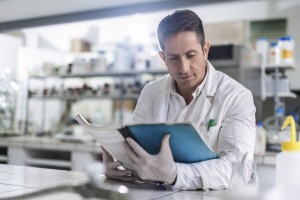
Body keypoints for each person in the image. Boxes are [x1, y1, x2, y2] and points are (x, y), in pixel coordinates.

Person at [102, 9, 256, 190]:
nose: (183, 68)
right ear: (163, 57)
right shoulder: (151, 92)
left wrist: (175, 174)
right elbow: (137, 149)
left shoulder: (236, 97)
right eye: (173, 58)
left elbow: (238, 169)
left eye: (190, 55)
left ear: (205, 50)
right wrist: (121, 167)